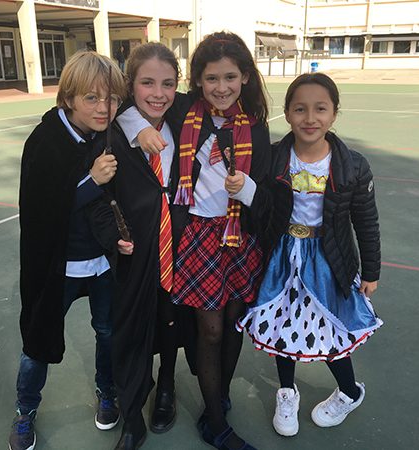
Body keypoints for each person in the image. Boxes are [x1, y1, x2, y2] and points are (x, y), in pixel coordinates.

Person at [120, 32, 271, 450]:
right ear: (198, 81)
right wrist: (139, 129)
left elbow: (268, 198)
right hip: (198, 235)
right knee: (211, 330)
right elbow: (128, 108)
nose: (221, 87)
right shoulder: (186, 110)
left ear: (245, 77)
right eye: (211, 78)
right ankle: (216, 425)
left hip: (240, 236)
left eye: (230, 77)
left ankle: (217, 397)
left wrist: (248, 189)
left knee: (234, 324)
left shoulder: (256, 127)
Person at [237, 72, 383, 437]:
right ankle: (287, 392)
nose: (310, 118)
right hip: (282, 256)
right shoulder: (273, 158)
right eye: (300, 109)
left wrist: (371, 271)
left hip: (328, 259)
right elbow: (261, 209)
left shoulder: (353, 166)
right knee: (281, 325)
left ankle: (349, 392)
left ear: (334, 113)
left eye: (320, 109)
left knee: (331, 330)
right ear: (287, 113)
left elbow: (366, 222)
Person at [8, 50, 132, 450]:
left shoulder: (109, 134)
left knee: (107, 332)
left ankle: (107, 392)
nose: (103, 108)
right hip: (57, 266)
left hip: (101, 263)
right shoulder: (45, 141)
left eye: (111, 98)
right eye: (91, 98)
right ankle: (25, 410)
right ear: (68, 98)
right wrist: (91, 181)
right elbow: (42, 212)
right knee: (38, 339)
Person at [98, 42, 196, 450]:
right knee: (131, 330)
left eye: (168, 84)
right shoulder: (113, 131)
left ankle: (167, 387)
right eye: (147, 83)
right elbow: (99, 199)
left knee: (170, 320)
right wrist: (134, 123)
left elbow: (222, 99)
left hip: (179, 244)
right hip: (135, 251)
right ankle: (133, 413)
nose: (158, 93)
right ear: (130, 86)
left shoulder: (185, 118)